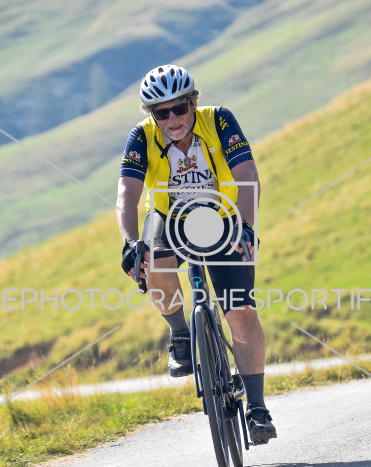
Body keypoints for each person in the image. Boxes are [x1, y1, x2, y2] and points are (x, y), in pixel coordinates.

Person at [116, 65, 276, 443]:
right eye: (162, 112)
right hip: (168, 217)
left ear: (193, 102)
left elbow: (247, 175)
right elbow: (127, 193)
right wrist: (130, 242)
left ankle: (257, 408)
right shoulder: (142, 136)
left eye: (180, 108)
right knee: (151, 261)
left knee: (240, 311)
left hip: (222, 217)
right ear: (152, 115)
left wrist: (247, 227)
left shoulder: (219, 121)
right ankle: (180, 334)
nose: (172, 118)